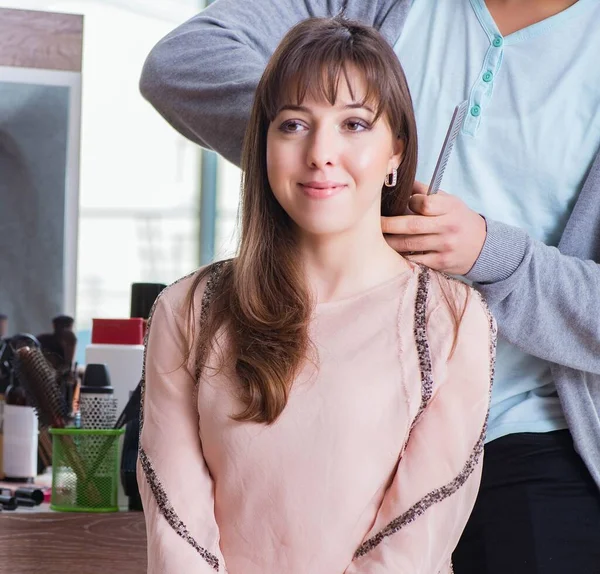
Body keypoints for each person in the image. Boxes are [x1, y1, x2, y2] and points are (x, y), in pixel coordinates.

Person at [139, 1, 600, 572]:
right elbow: (181, 63)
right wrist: (325, 172)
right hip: (320, 404)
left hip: (537, 435)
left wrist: (494, 256)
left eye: (357, 123)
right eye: (292, 123)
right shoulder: (187, 311)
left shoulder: (459, 323)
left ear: (395, 147)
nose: (323, 147)